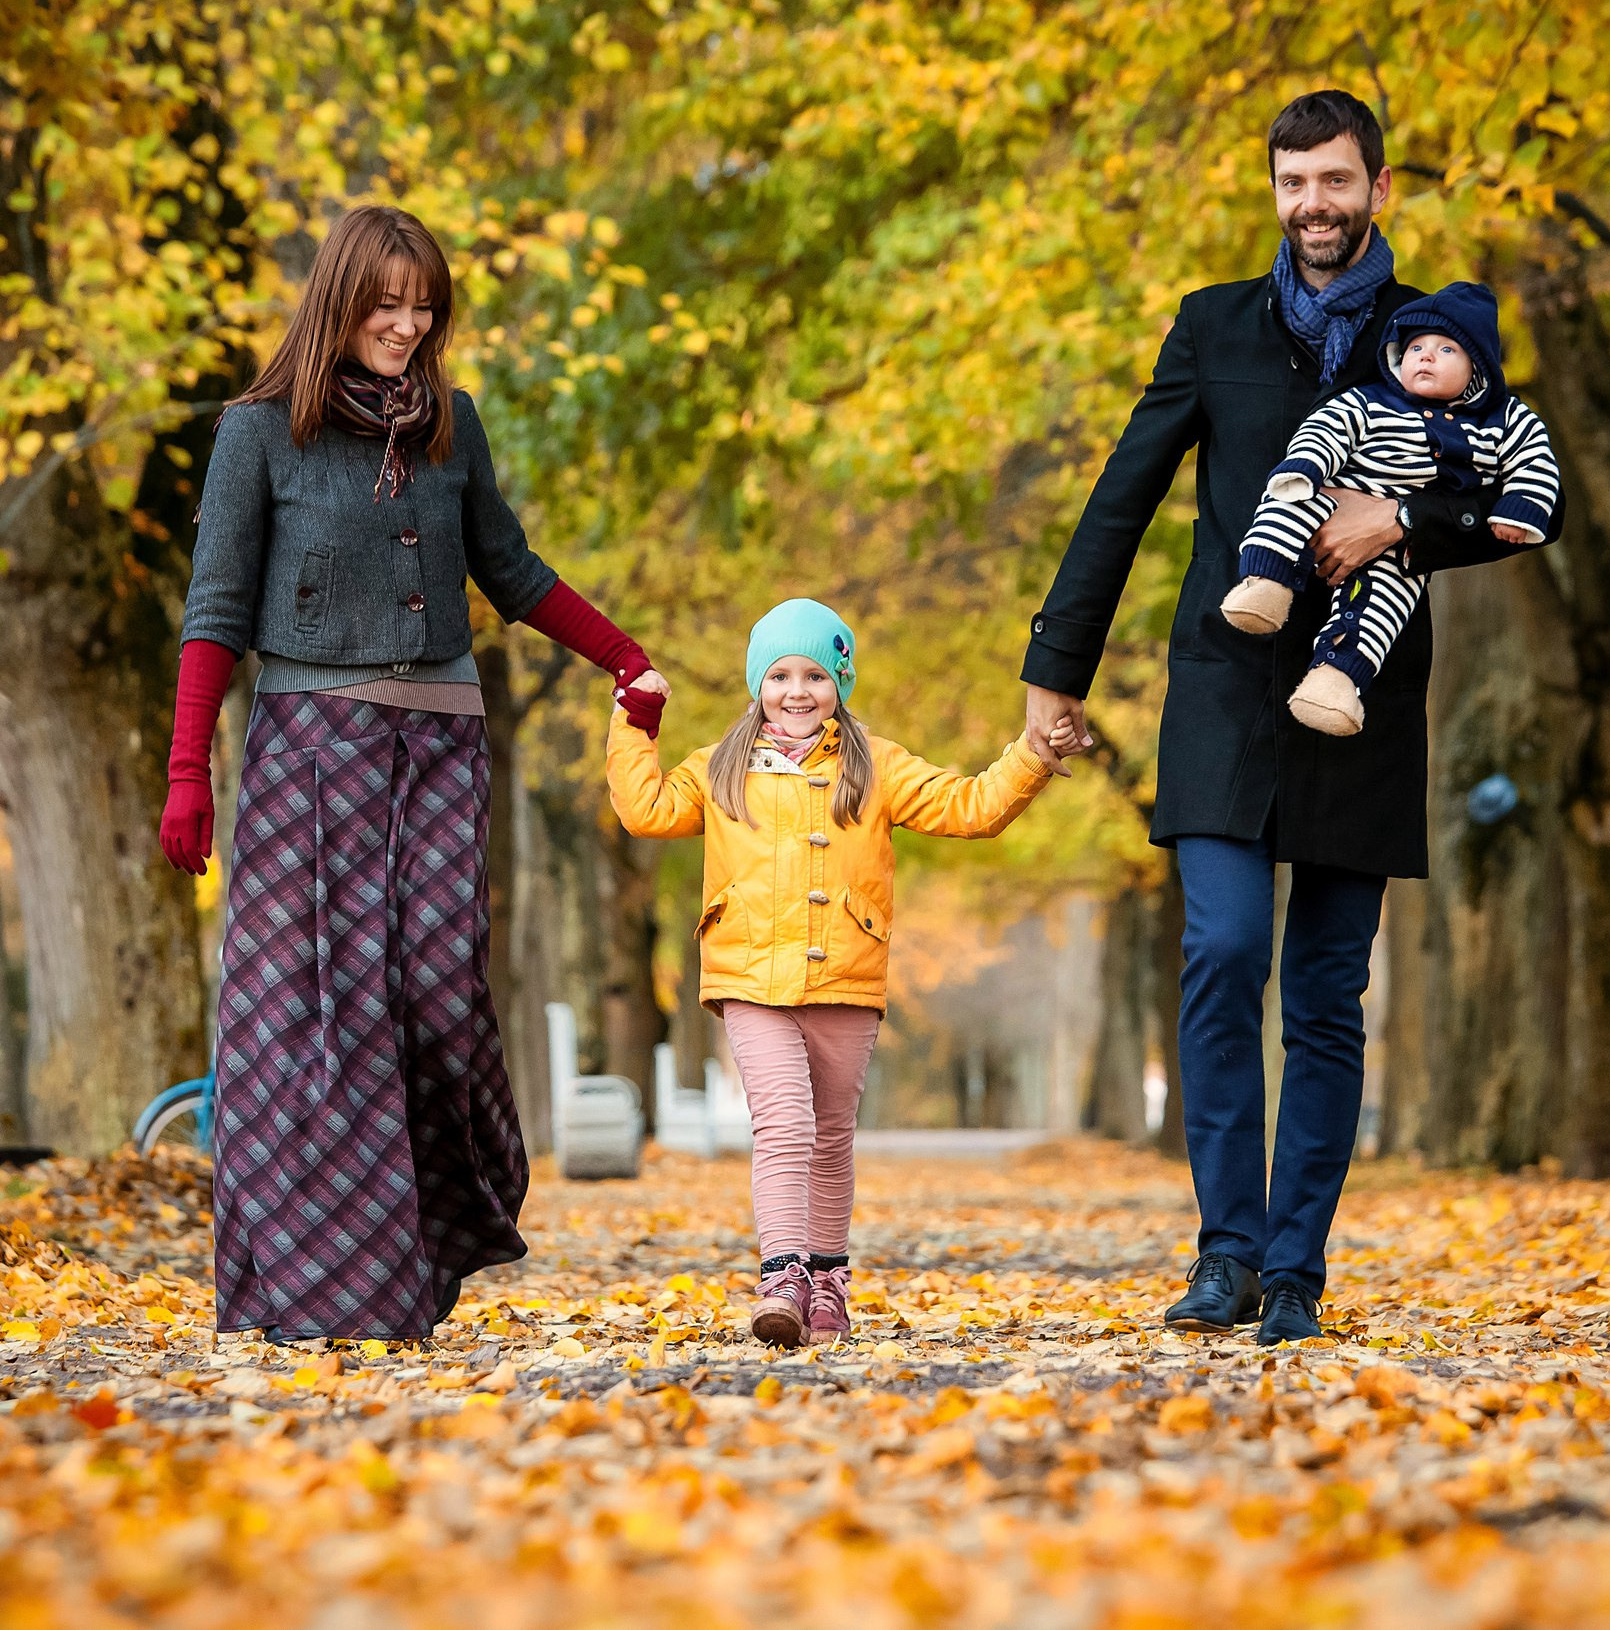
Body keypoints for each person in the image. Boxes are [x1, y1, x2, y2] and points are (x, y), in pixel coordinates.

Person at [1020, 92, 1559, 1346]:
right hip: (1222, 681)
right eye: (1291, 183)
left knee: (1324, 991)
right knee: (1218, 954)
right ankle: (1224, 1255)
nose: (1312, 205)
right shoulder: (1212, 327)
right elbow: (1122, 494)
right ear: (1274, 192)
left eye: (1334, 181)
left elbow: (1520, 495)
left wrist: (1402, 523)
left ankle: (1296, 1270)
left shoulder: (1440, 341)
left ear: (1379, 188)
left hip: (1359, 694)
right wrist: (1058, 664)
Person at [158, 203, 668, 1347]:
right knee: (312, 1018)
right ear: (339, 301)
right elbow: (215, 612)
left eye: (422, 302)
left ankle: (440, 1231)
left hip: (441, 747)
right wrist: (187, 769)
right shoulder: (256, 435)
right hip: (305, 749)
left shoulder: (453, 426)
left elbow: (513, 569)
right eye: (385, 303)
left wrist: (622, 656)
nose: (407, 322)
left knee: (438, 998)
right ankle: (331, 1287)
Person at [606, 599, 1051, 1349]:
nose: (796, 689)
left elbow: (971, 807)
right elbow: (644, 809)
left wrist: (1033, 754)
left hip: (846, 974)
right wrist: (635, 719)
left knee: (833, 1134)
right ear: (757, 684)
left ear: (840, 681)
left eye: (815, 673)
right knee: (784, 1121)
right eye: (779, 674)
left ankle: (829, 1283)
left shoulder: (875, 766)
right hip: (750, 977)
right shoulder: (720, 766)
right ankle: (782, 1274)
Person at [1220, 281, 1560, 735]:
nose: (1425, 356)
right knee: (1288, 502)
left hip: (1404, 548)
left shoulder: (1505, 419)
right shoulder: (1373, 400)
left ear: (1477, 367)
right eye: (1416, 346)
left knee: (1385, 604)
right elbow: (1328, 428)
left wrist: (1518, 508)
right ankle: (1266, 579)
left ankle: (1335, 680)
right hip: (1334, 494)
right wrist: (1307, 466)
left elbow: (1535, 460)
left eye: (1445, 350)